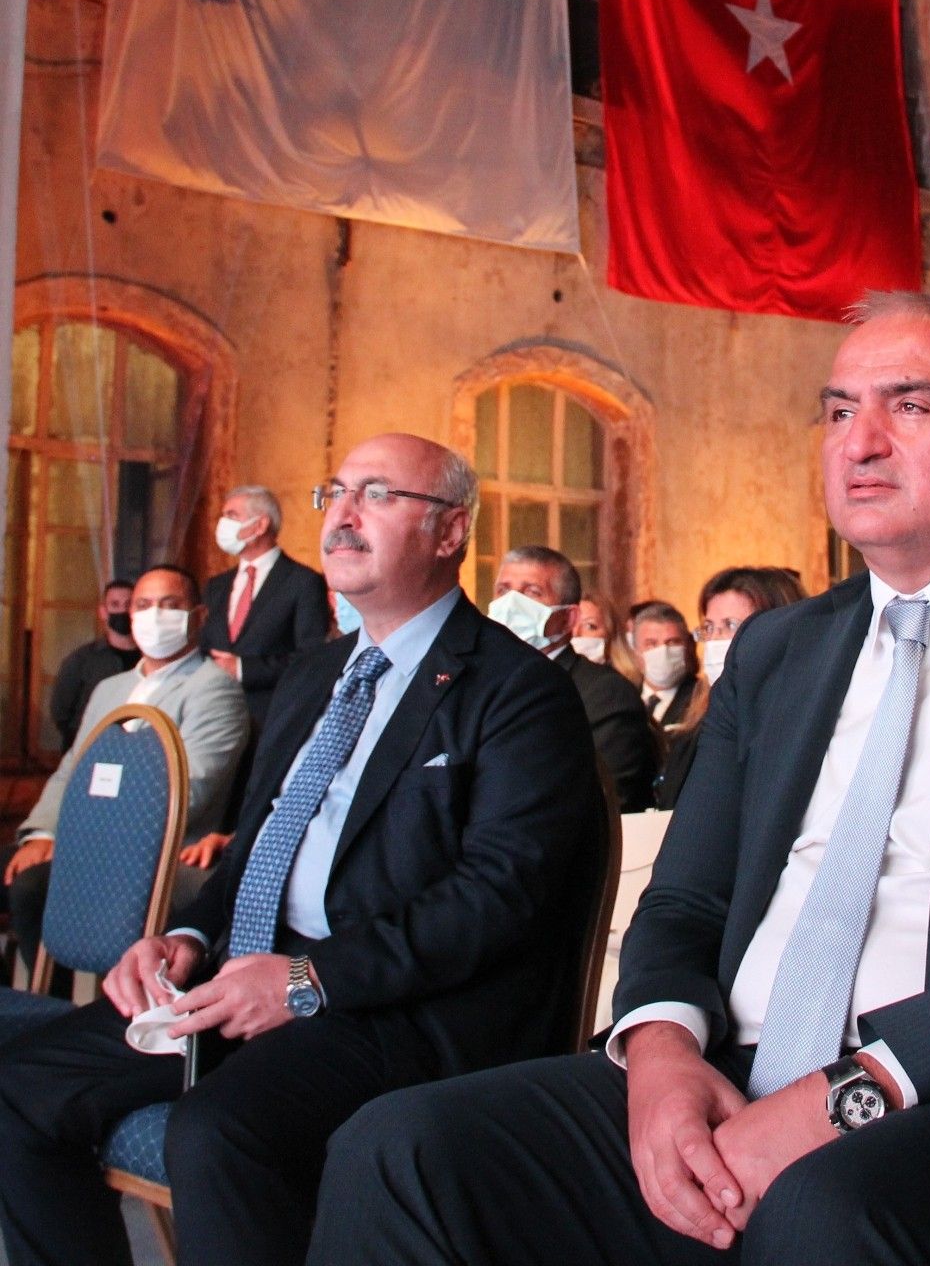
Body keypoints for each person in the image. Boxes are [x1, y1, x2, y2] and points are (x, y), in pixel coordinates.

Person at [308, 292, 930, 1266]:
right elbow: (685, 901)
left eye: (910, 406)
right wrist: (659, 1051)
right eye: (838, 410)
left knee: (821, 1212)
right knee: (400, 1150)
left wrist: (845, 1095)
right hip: (727, 1068)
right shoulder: (779, 651)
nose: (859, 442)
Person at [0, 434, 596, 1266]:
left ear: (451, 531)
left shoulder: (519, 692)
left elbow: (498, 896)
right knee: (19, 1087)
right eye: (335, 492)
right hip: (243, 974)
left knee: (217, 1132)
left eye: (378, 494)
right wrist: (188, 936)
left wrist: (308, 979)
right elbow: (257, 845)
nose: (343, 516)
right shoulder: (315, 676)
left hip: (393, 1006)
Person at [2, 564, 251, 973]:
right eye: (144, 605)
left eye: (169, 605)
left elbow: (186, 791)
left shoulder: (213, 690)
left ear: (199, 616)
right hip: (81, 836)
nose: (155, 616)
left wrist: (75, 839)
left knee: (33, 887)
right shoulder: (110, 689)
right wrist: (45, 833)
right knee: (17, 870)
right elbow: (71, 770)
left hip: (160, 852)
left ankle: (58, 1002)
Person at [491, 545, 656, 811]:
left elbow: (605, 796)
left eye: (532, 592)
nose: (511, 604)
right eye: (503, 590)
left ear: (569, 618)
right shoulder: (480, 683)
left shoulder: (605, 693)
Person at [657, 567, 805, 812]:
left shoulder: (792, 723)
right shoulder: (697, 719)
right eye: (709, 627)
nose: (715, 640)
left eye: (731, 625)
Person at [200, 484, 331, 732]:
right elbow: (204, 646)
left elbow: (311, 657)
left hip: (269, 718)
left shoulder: (303, 582)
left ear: (260, 525)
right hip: (213, 715)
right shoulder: (216, 586)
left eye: (231, 516)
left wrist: (242, 668)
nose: (222, 524)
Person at [47, 579, 141, 753]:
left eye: (128, 604)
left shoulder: (151, 660)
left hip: (138, 748)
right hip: (88, 749)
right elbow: (60, 712)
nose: (122, 611)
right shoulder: (81, 660)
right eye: (115, 604)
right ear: (103, 612)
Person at [632, 601, 700, 734]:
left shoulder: (702, 701)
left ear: (689, 647)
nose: (663, 651)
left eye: (673, 642)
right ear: (636, 652)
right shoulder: (624, 697)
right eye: (651, 644)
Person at [573, 590, 643, 685]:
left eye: (590, 626)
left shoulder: (620, 685)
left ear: (610, 634)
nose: (575, 633)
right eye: (571, 624)